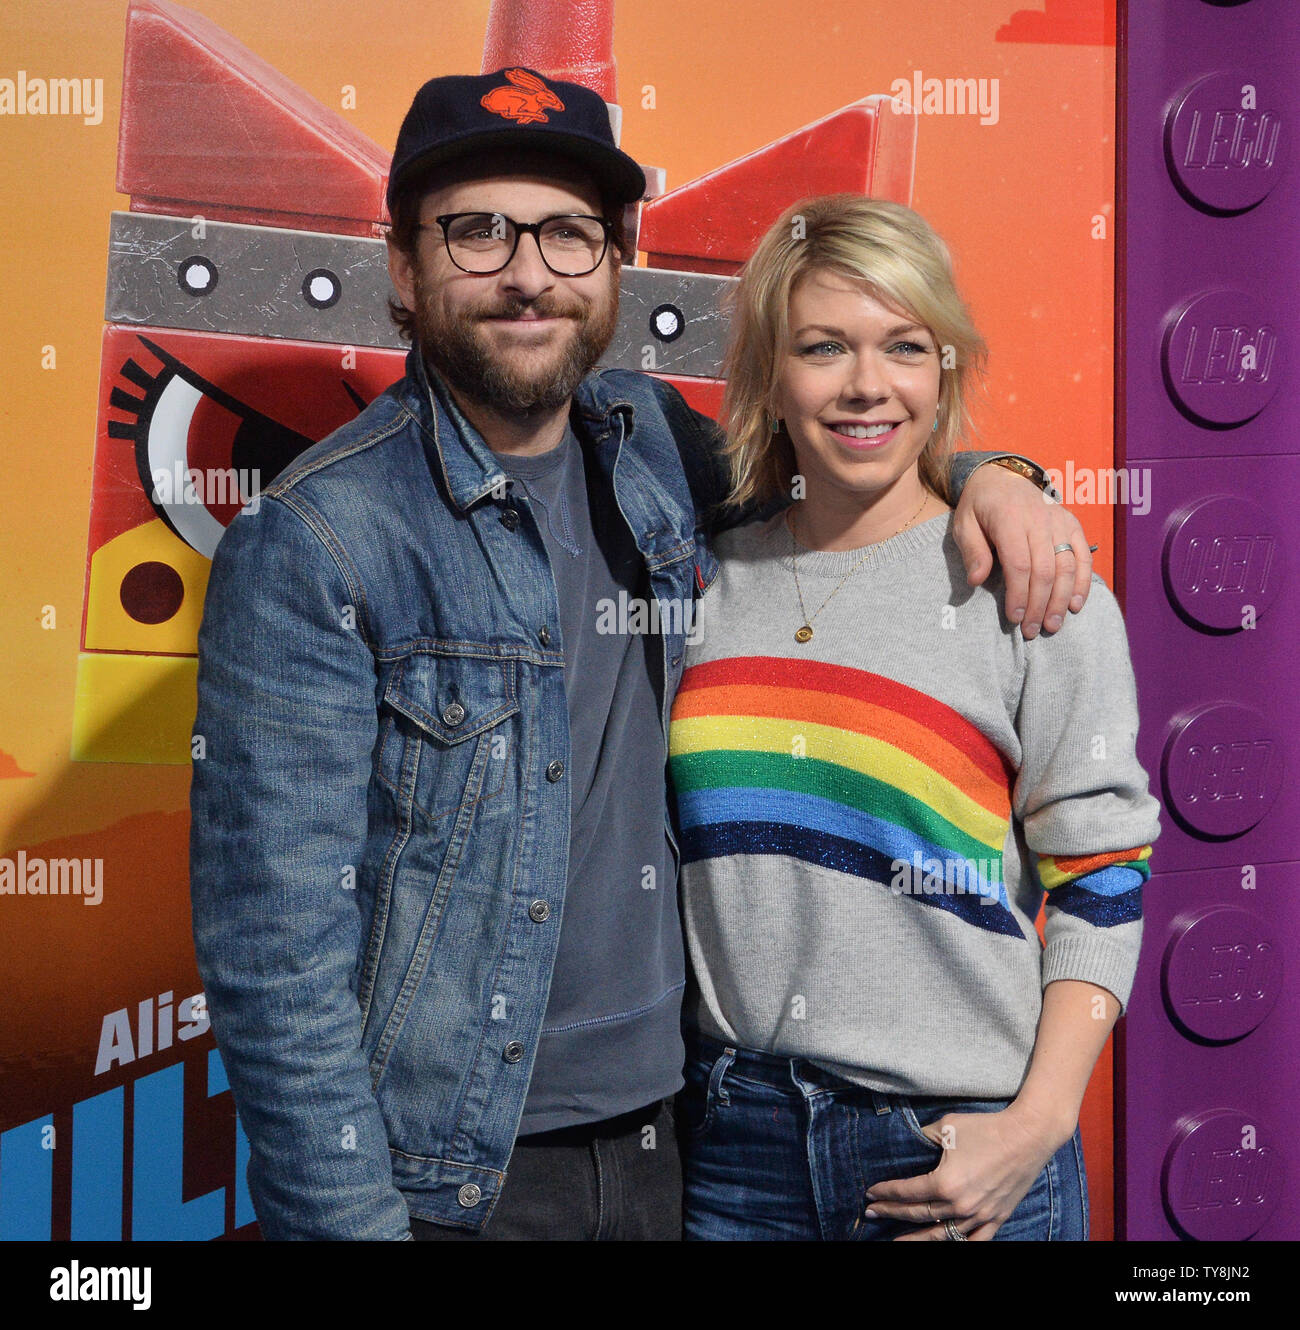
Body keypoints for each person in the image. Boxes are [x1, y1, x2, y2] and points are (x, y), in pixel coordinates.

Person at [189, 70, 1094, 1241]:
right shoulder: (317, 540)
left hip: (690, 1141)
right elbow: (274, 958)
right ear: (404, 270)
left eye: (569, 234)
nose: (528, 273)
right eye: (476, 231)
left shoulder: (653, 440)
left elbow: (851, 477)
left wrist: (994, 478)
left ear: (613, 263)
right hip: (463, 1179)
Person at [668, 193, 1161, 1241]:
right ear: (767, 372)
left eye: (904, 346)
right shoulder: (696, 579)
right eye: (821, 346)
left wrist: (1035, 1123)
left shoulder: (1029, 587)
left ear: (945, 368)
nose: (866, 385)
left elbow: (1104, 876)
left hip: (958, 1147)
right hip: (732, 1150)